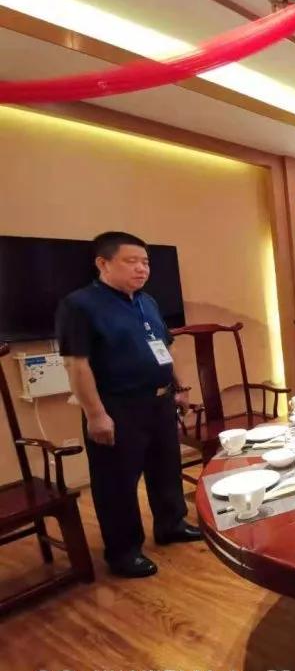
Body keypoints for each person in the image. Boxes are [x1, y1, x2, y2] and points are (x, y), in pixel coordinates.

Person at [56, 231, 201, 579]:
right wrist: (95, 414)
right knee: (116, 484)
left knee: (165, 467)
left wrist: (179, 387)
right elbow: (77, 365)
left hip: (159, 401)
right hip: (117, 407)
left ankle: (171, 524)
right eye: (131, 261)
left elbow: (165, 347)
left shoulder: (147, 301)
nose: (142, 268)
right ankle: (123, 552)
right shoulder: (80, 305)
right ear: (103, 263)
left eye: (145, 262)